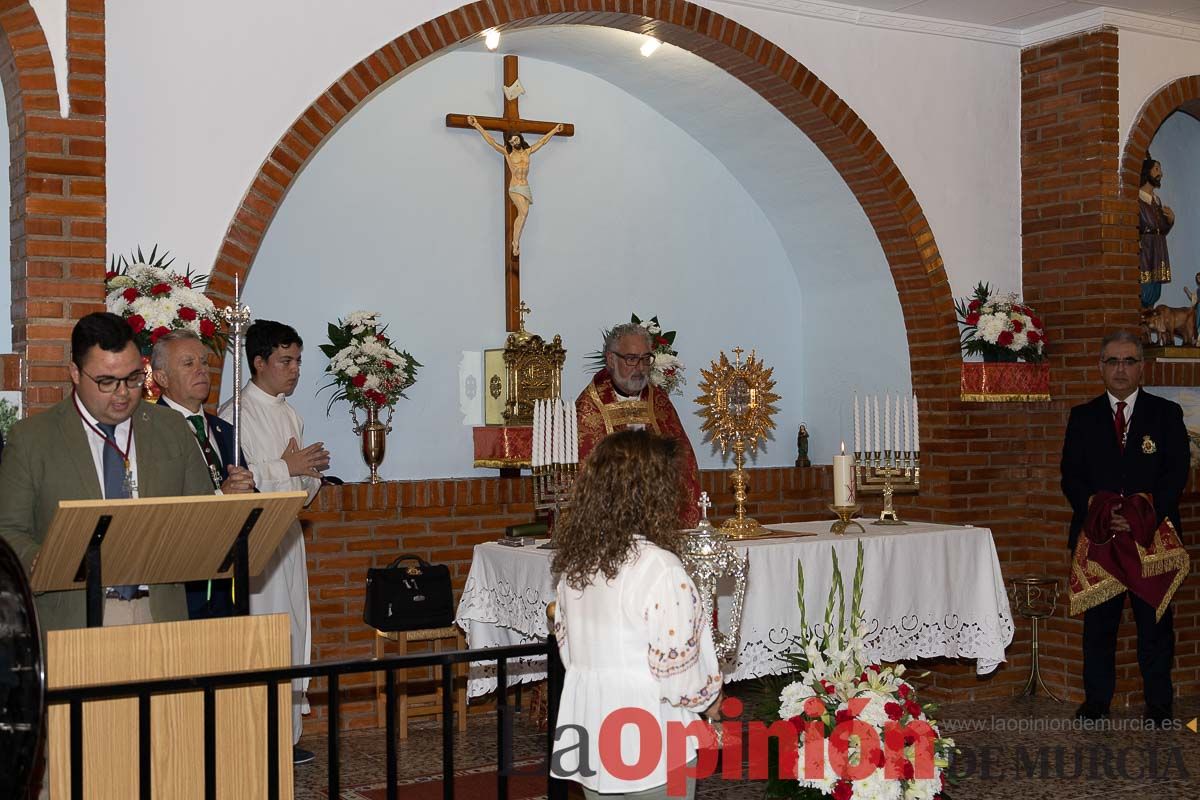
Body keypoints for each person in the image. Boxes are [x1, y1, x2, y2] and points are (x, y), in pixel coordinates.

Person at [0, 312, 214, 630]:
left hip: (160, 612)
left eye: (132, 378)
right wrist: (44, 561)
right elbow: (8, 530)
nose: (123, 393)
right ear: (75, 372)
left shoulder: (171, 428)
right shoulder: (33, 439)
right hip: (72, 618)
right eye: (106, 382)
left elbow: (203, 514)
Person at [551, 430, 722, 799]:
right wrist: (712, 699)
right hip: (650, 739)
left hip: (591, 734)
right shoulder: (659, 568)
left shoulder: (576, 565)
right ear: (653, 493)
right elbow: (680, 679)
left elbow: (569, 653)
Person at [1060, 330, 1190, 725]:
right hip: (1099, 539)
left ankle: (1159, 703)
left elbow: (1175, 473)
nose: (1121, 369)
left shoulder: (1165, 415)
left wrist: (1140, 515)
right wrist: (1100, 511)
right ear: (1100, 367)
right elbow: (1071, 475)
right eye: (1113, 361)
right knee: (1099, 626)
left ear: (1141, 368)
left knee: (1155, 627)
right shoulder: (1082, 417)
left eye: (1129, 361)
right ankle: (1097, 702)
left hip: (1151, 540)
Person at [219, 319, 328, 765]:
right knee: (262, 632)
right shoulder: (235, 413)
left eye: (298, 360)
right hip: (255, 538)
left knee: (293, 631)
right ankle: (255, 734)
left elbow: (301, 486)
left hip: (288, 535)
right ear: (258, 361)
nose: (295, 369)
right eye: (286, 360)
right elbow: (235, 481)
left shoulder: (289, 414)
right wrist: (287, 466)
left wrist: (308, 473)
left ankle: (287, 735)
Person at [151, 329, 256, 619]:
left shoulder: (225, 430)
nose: (201, 370)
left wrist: (251, 493)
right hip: (181, 586)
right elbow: (158, 503)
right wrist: (221, 495)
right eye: (188, 364)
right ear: (161, 378)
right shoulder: (149, 431)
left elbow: (246, 496)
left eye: (204, 362)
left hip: (229, 580)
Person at [576, 323, 702, 526]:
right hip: (610, 522)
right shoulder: (589, 408)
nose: (640, 368)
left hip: (660, 518)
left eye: (645, 359)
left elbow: (684, 463)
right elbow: (583, 472)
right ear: (611, 359)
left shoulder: (659, 403)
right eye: (631, 359)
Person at [466, 115, 564, 257]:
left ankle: (516, 239)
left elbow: (542, 142)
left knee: (523, 215)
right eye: (511, 141)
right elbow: (492, 142)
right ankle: (515, 242)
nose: (514, 142)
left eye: (516, 139)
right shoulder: (508, 152)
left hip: (526, 186)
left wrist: (555, 130)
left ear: (520, 138)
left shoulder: (527, 151)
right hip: (515, 187)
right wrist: (477, 125)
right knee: (524, 212)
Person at [1138, 155, 1175, 308]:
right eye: (1157, 169)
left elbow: (1160, 229)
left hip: (1158, 249)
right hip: (1145, 249)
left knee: (1154, 292)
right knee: (1144, 291)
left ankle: (1147, 322)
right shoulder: (1137, 198)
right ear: (1147, 172)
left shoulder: (1156, 200)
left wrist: (1170, 220)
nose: (1160, 173)